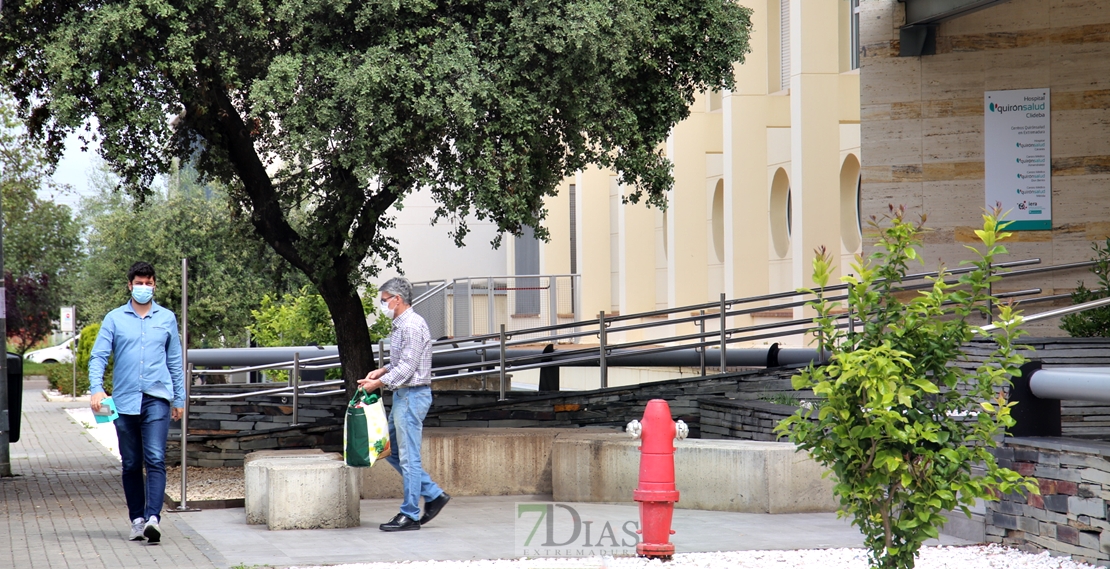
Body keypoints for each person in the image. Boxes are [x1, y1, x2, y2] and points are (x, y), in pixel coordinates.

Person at [89, 262, 185, 544]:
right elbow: (99, 356)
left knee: (155, 457)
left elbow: (175, 362)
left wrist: (179, 398)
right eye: (139, 282)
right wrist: (96, 388)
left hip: (157, 398)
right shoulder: (114, 318)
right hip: (124, 400)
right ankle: (137, 520)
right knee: (131, 463)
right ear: (130, 285)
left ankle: (154, 518)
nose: (144, 287)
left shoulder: (166, 318)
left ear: (155, 285)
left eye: (149, 282)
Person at [358, 277, 450, 531]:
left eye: (384, 300)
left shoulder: (411, 325)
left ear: (397, 299)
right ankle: (432, 494)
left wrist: (379, 383)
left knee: (409, 459)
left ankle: (409, 514)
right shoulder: (402, 325)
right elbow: (402, 363)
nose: (382, 305)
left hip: (411, 395)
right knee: (391, 451)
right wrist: (382, 371)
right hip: (403, 395)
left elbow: (409, 368)